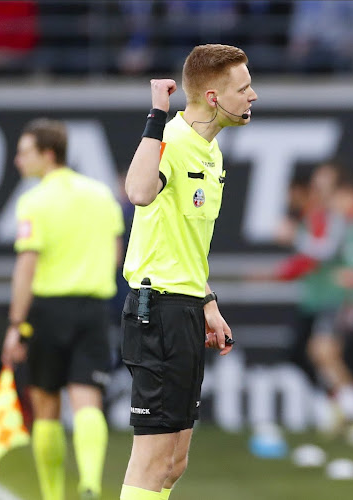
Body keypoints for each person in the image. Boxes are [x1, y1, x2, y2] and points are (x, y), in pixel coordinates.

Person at [120, 44, 256, 500]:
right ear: (214, 96)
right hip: (155, 310)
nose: (253, 95)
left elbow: (186, 243)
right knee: (152, 460)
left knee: (174, 465)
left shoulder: (211, 153)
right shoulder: (172, 140)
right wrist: (157, 113)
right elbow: (138, 191)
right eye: (244, 87)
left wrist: (207, 300)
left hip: (185, 307)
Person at [1, 118, 124, 500]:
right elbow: (117, 248)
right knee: (88, 398)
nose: (19, 161)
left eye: (25, 153)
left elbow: (26, 267)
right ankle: (89, 481)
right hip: (93, 307)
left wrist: (16, 324)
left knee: (45, 402)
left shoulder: (35, 201)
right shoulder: (101, 194)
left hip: (48, 310)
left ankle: (52, 495)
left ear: (47, 154)